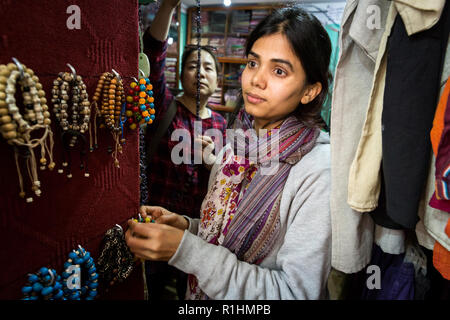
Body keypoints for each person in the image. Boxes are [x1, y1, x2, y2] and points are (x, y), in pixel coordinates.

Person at [128, 5, 332, 299]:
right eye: (252, 63)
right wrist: (188, 227)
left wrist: (186, 249)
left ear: (310, 90)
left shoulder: (317, 171)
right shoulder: (238, 146)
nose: (256, 80)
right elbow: (225, 232)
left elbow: (295, 293)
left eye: (278, 70)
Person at [142, 0, 227, 300]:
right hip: (157, 220)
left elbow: (228, 183)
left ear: (217, 79)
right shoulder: (167, 107)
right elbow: (152, 56)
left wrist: (212, 164)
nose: (200, 73)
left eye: (208, 68)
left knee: (191, 294)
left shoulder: (221, 124)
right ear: (181, 76)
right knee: (150, 290)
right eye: (193, 66)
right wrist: (167, 7)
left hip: (197, 232)